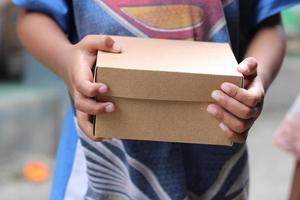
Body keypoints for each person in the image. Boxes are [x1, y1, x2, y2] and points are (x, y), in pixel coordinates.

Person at [13, 0, 300, 199]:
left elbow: (267, 23)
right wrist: (67, 60)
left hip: (215, 158)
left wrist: (256, 77)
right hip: (104, 163)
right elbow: (34, 15)